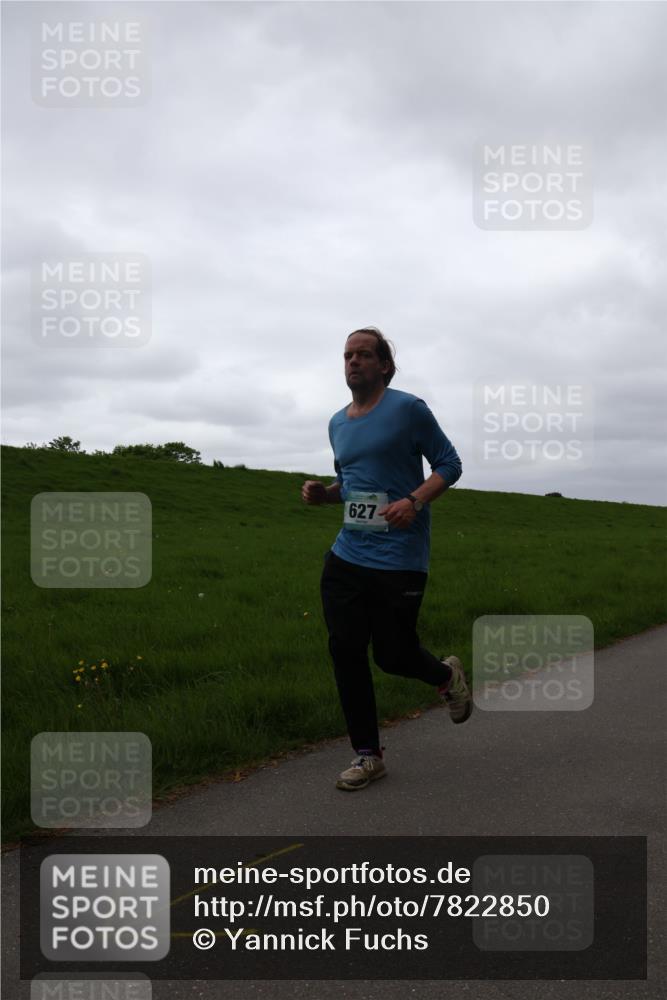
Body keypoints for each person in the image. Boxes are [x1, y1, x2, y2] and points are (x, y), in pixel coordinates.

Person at [301, 327, 472, 791]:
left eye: (363, 355)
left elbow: (450, 464)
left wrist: (414, 501)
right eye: (347, 355)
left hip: (400, 555)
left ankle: (445, 675)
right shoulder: (337, 422)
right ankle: (367, 755)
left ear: (384, 365)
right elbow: (353, 487)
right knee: (346, 650)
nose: (353, 362)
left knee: (393, 656)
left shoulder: (409, 409)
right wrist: (325, 496)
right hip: (348, 553)